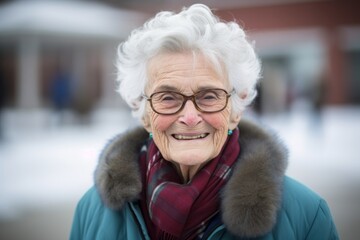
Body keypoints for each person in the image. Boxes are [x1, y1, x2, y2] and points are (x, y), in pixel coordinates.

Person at [70, 4, 339, 239]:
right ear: (144, 113)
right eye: (167, 97)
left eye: (209, 96)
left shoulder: (306, 215)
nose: (189, 117)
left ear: (236, 110)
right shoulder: (92, 210)